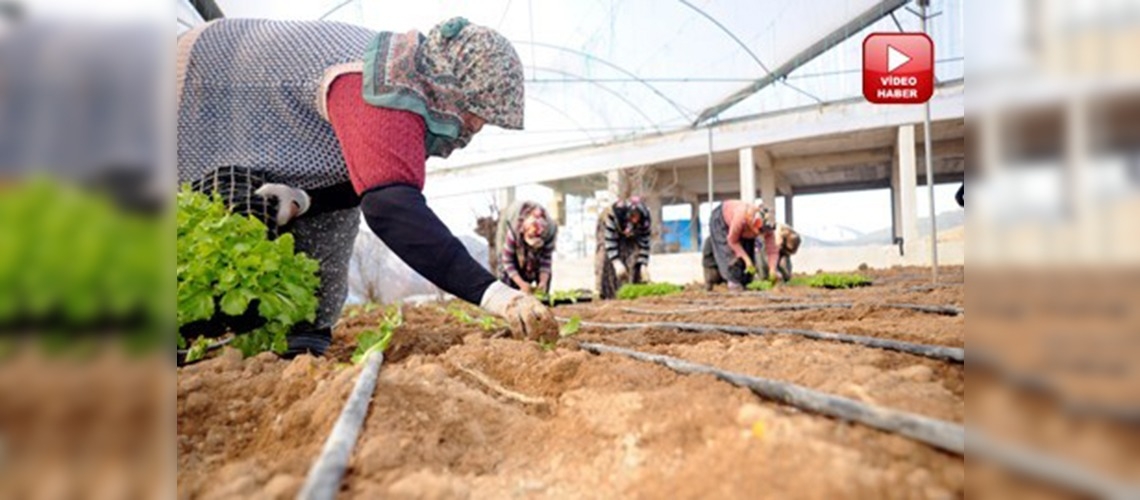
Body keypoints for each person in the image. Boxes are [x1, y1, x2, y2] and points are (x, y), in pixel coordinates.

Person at [177, 17, 557, 356]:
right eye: (479, 112)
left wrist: (305, 198)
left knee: (332, 222)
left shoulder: (412, 87)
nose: (475, 127)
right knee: (209, 218)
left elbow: (359, 185)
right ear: (454, 86)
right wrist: (494, 294)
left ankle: (301, 336)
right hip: (205, 83)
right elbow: (392, 210)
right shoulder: (384, 90)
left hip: (266, 110)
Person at [702, 199, 779, 291]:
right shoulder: (741, 218)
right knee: (730, 255)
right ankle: (733, 283)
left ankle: (744, 283)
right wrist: (746, 260)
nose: (762, 234)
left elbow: (772, 250)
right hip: (722, 220)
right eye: (760, 231)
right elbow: (732, 241)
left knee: (749, 257)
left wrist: (772, 269)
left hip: (744, 230)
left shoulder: (767, 228)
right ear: (753, 223)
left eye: (764, 232)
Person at [496, 200, 557, 295]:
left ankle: (541, 293)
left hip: (537, 233)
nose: (532, 247)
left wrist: (543, 282)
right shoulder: (514, 230)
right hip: (509, 223)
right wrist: (521, 284)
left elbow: (546, 261)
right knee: (506, 272)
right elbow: (507, 261)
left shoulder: (550, 231)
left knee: (538, 267)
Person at [595, 197, 651, 299]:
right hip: (609, 226)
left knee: (633, 256)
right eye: (632, 216)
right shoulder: (616, 214)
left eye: (637, 217)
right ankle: (604, 292)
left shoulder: (645, 220)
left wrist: (643, 264)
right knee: (605, 257)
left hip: (626, 229)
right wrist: (616, 262)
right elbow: (610, 240)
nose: (634, 220)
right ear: (628, 214)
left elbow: (644, 243)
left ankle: (632, 285)